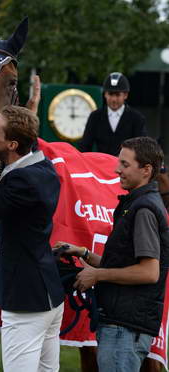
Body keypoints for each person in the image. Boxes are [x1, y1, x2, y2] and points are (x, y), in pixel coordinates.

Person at [56, 136, 169, 372]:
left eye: (125, 165)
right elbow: (121, 264)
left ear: (146, 170)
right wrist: (84, 253)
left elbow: (149, 272)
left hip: (125, 329)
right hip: (120, 324)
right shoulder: (135, 204)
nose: (117, 170)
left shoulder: (144, 210)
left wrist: (97, 276)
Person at [0, 105, 64, 372]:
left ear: (12, 143)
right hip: (48, 294)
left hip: (26, 302)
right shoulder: (43, 168)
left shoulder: (23, 181)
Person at [79, 72, 147, 155]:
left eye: (118, 95)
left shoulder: (137, 118)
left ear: (125, 95)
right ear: (105, 94)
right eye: (111, 94)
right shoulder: (95, 116)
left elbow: (141, 148)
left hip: (125, 166)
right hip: (101, 165)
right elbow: (85, 146)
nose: (114, 99)